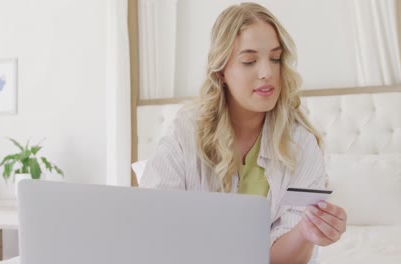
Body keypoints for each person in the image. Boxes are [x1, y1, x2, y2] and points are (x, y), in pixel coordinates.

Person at [140, 2, 347, 263]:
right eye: (249, 61)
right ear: (221, 71)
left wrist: (306, 232)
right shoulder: (184, 133)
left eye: (275, 58)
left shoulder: (300, 143)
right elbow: (153, 226)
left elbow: (283, 259)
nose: (267, 73)